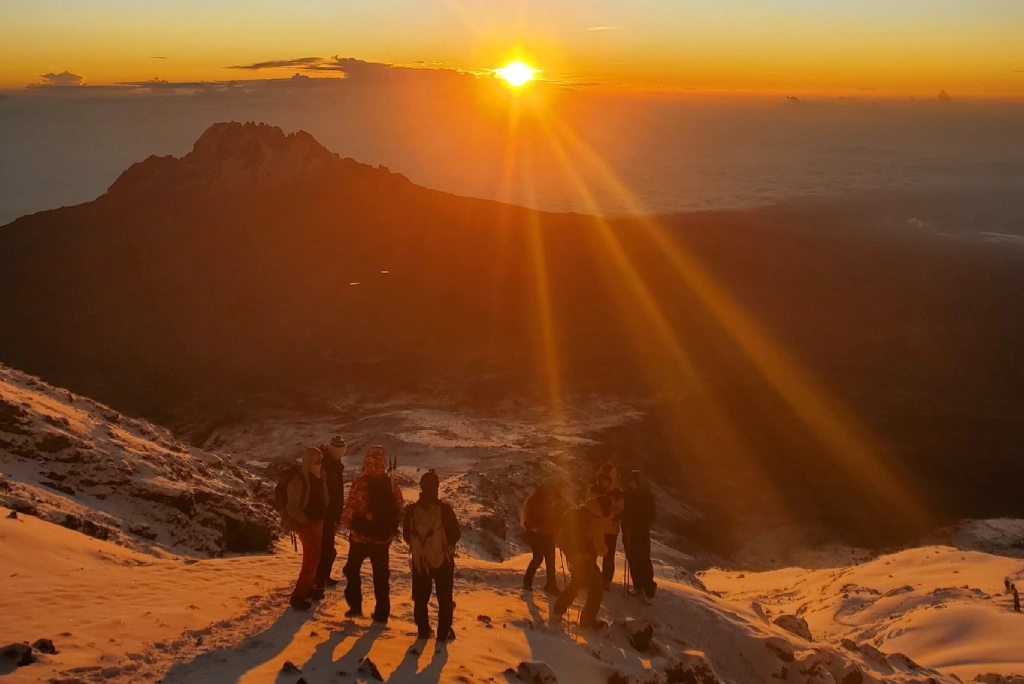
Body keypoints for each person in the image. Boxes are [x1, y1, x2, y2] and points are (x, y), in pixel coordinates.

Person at [341, 445, 404, 623]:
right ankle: (382, 613)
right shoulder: (392, 482)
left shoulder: (359, 483)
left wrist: (349, 524)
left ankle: (355, 606)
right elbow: (399, 505)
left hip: (359, 537)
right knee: (381, 575)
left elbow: (350, 507)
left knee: (352, 570)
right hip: (382, 538)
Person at [403, 469, 462, 641]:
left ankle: (423, 631)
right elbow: (456, 534)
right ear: (436, 488)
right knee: (444, 597)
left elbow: (407, 536)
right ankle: (443, 633)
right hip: (443, 559)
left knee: (421, 597)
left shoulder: (411, 511)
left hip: (420, 560)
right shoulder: (444, 510)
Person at [552, 495, 612, 629]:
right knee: (596, 588)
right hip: (586, 558)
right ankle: (587, 621)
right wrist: (606, 549)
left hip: (572, 555)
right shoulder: (596, 521)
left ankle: (558, 609)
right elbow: (600, 550)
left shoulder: (580, 510)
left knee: (577, 583)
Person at [284, 447, 330, 610]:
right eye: (317, 460)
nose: (320, 463)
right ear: (309, 461)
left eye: (321, 460)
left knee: (315, 557)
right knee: (312, 558)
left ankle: (308, 589)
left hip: (318, 521)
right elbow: (292, 508)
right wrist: (306, 520)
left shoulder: (319, 475)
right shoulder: (298, 481)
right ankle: (298, 595)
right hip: (306, 524)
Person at [520, 479, 571, 594]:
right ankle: (530, 582)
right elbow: (532, 519)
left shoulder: (553, 499)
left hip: (546, 533)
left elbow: (558, 515)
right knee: (541, 559)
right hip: (538, 533)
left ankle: (547, 584)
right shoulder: (537, 500)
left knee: (548, 559)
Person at [313, 435, 346, 591]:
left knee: (327, 549)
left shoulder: (334, 464)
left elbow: (337, 493)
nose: (340, 453)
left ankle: (322, 577)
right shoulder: (325, 465)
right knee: (325, 549)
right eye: (338, 450)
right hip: (324, 513)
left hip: (331, 513)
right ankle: (318, 581)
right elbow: (326, 492)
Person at [622, 470, 657, 602]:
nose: (632, 484)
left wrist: (636, 520)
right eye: (631, 481)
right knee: (632, 559)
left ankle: (649, 590)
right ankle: (638, 585)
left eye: (634, 481)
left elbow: (651, 516)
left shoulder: (646, 496)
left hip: (641, 533)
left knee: (643, 560)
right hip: (629, 532)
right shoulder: (626, 494)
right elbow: (620, 510)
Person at [588, 463, 625, 588]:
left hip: (610, 529)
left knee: (608, 556)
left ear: (611, 479)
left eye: (606, 478)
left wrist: (611, 515)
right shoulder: (593, 489)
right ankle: (591, 575)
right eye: (602, 478)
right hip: (596, 527)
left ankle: (606, 580)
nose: (603, 481)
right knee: (591, 552)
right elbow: (588, 504)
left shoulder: (617, 493)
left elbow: (621, 510)